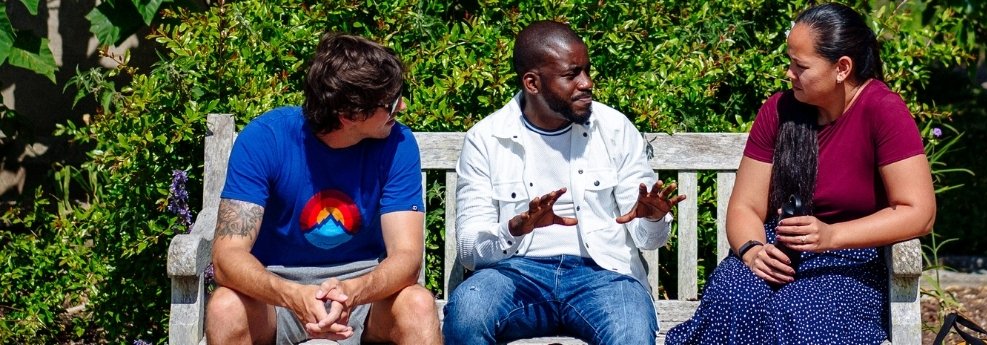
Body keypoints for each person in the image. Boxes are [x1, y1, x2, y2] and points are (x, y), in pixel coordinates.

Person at [665, 3, 936, 344]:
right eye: (790, 62)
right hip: (775, 248)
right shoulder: (779, 110)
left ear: (842, 68)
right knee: (733, 297)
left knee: (799, 314)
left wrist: (832, 236)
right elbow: (745, 207)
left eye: (800, 65)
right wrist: (752, 251)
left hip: (848, 259)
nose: (789, 73)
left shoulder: (883, 110)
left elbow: (919, 212)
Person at [441, 20, 686, 344]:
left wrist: (652, 218)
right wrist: (514, 229)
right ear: (533, 83)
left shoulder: (614, 128)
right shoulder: (486, 138)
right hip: (515, 272)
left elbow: (646, 239)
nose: (587, 83)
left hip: (604, 275)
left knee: (631, 332)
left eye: (586, 70)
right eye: (572, 75)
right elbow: (470, 249)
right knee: (467, 312)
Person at [205, 33, 442, 345]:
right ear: (350, 116)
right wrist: (292, 295)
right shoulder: (267, 138)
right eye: (392, 102)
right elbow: (227, 257)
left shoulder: (397, 144)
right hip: (276, 293)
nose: (403, 106)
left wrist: (353, 291)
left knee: (419, 305)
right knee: (224, 309)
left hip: (366, 293)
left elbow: (408, 257)